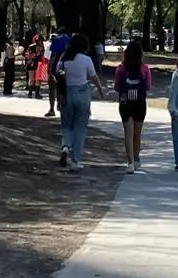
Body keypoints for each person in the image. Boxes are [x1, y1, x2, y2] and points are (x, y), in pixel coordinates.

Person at [56, 33, 105, 171]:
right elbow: (94, 77)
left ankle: (65, 146)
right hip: (82, 93)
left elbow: (58, 79)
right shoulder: (86, 60)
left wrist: (59, 99)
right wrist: (101, 91)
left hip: (66, 94)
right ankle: (76, 160)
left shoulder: (63, 60)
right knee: (80, 128)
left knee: (66, 125)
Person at [114, 41, 152, 174]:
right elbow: (147, 87)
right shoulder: (145, 69)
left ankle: (129, 162)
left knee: (128, 133)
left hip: (125, 103)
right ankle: (136, 158)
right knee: (137, 133)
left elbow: (117, 87)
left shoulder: (120, 69)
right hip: (140, 103)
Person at [46, 29, 70, 117]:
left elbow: (53, 55)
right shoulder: (68, 39)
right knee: (62, 89)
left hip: (55, 66)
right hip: (65, 67)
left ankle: (52, 109)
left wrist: (49, 67)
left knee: (52, 89)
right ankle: (61, 107)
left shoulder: (56, 40)